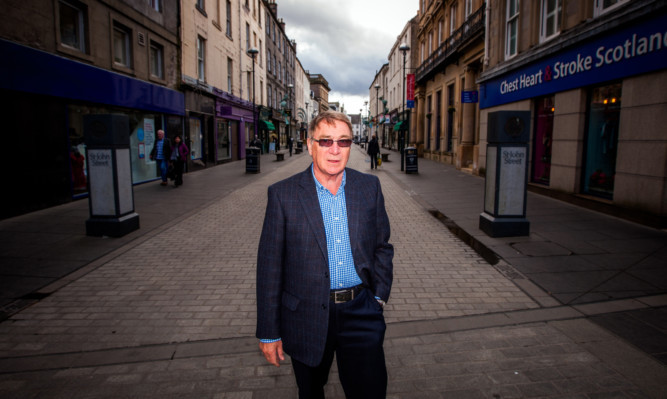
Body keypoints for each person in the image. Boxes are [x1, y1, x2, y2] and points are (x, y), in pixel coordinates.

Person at [256, 110, 394, 399]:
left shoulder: (369, 187)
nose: (334, 150)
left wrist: (378, 297)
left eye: (343, 142)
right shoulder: (283, 195)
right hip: (306, 315)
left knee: (370, 392)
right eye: (326, 141)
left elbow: (382, 245)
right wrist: (269, 331)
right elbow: (270, 267)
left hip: (361, 312)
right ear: (310, 145)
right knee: (310, 392)